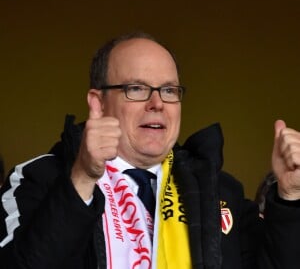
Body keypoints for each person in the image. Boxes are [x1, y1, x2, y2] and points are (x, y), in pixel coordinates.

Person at [1, 32, 300, 269]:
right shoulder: (39, 177)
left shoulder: (220, 191)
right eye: (136, 88)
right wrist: (81, 180)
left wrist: (289, 198)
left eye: (169, 90)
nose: (157, 103)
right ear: (98, 102)